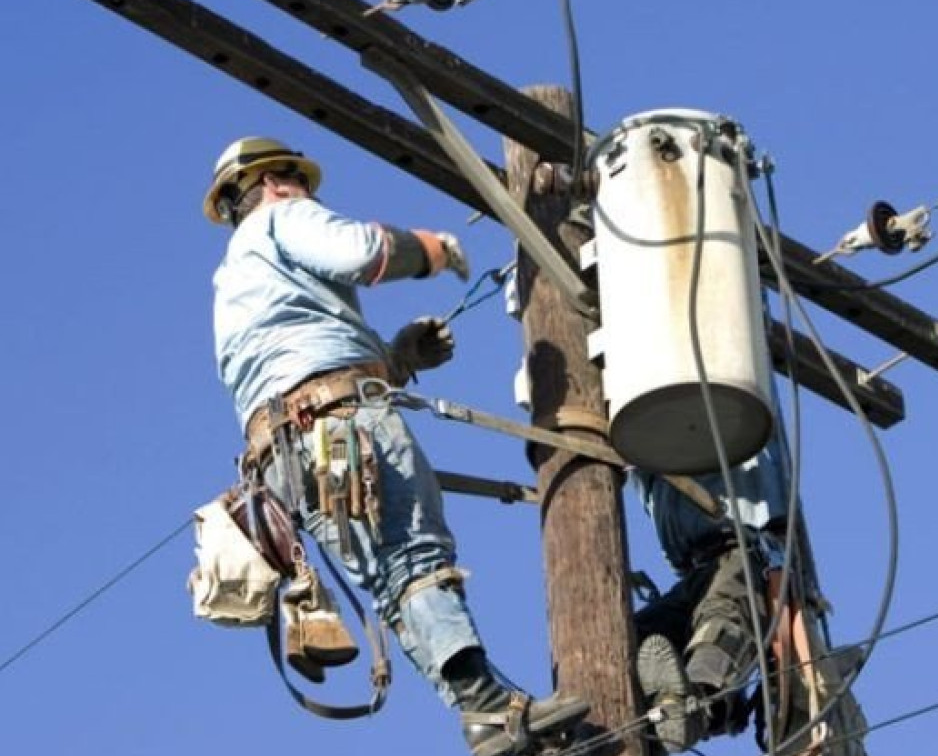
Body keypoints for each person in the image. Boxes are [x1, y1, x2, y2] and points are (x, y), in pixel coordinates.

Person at [206, 136, 588, 756]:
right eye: (302, 185)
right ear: (275, 183)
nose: (310, 195)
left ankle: (486, 709)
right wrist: (436, 252)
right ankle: (489, 708)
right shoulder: (282, 217)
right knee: (413, 557)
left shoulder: (232, 282)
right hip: (340, 426)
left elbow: (300, 356)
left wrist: (398, 360)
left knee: (394, 577)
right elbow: (361, 253)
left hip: (287, 456)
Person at [631, 422, 792, 753]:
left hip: (743, 544)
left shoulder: (721, 397)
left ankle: (698, 705)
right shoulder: (635, 414)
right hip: (694, 569)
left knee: (722, 617)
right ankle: (653, 724)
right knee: (633, 639)